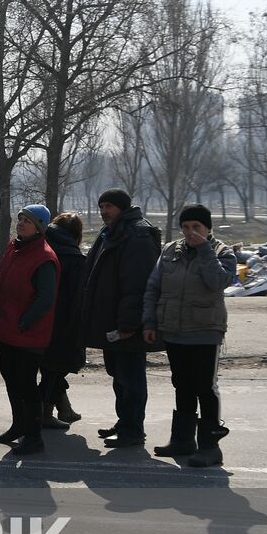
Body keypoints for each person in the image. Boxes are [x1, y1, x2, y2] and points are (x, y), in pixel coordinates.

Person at [142, 204, 237, 467]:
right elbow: (153, 287)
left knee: (204, 388)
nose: (190, 232)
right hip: (174, 330)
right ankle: (183, 440)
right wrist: (150, 321)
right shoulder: (171, 250)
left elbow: (217, 282)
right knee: (181, 385)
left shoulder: (222, 253)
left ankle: (210, 446)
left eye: (196, 227)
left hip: (205, 331)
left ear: (208, 229)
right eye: (185, 227)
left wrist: (204, 249)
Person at [78, 188, 162, 448]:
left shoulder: (137, 235)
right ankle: (124, 421)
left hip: (127, 325)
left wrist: (128, 324)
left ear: (122, 208)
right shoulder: (114, 232)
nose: (104, 211)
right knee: (119, 375)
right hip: (111, 321)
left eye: (109, 206)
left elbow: (136, 285)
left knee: (130, 377)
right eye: (102, 206)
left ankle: (133, 430)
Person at [0, 205, 60, 456]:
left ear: (39, 226)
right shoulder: (14, 247)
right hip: (9, 329)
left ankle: (34, 436)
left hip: (28, 333)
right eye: (20, 218)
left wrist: (25, 322)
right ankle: (19, 425)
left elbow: (45, 298)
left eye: (27, 220)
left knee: (26, 384)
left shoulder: (45, 257)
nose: (21, 223)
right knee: (11, 378)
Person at [40, 212, 87, 429]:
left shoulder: (41, 249)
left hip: (38, 320)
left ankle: (64, 408)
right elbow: (78, 298)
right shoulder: (75, 259)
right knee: (55, 368)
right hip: (63, 322)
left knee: (52, 368)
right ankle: (44, 412)